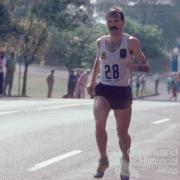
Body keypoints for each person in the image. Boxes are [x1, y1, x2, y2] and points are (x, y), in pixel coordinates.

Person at [87, 7, 150, 180]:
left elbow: (146, 66)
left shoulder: (131, 42)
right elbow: (97, 61)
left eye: (116, 21)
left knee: (122, 134)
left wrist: (134, 66)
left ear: (122, 23)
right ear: (106, 22)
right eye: (109, 21)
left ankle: (125, 160)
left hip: (122, 91)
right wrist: (92, 81)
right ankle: (103, 159)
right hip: (104, 88)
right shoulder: (101, 42)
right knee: (99, 123)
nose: (112, 24)